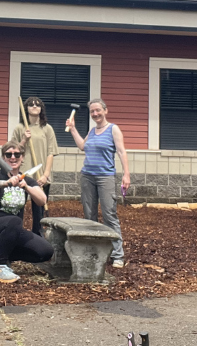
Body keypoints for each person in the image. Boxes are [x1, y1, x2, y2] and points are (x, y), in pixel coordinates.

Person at [0, 141, 53, 283]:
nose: (13, 157)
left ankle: (4, 256)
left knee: (45, 251)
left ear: (22, 158)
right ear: (3, 157)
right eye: (8, 154)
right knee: (15, 220)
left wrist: (26, 187)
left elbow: (42, 200)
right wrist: (7, 182)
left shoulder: (27, 180)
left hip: (12, 230)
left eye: (17, 154)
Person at [66, 98, 130, 268]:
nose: (95, 114)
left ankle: (117, 255)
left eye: (98, 110)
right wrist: (72, 129)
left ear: (105, 110)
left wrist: (126, 175)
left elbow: (122, 152)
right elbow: (82, 147)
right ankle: (93, 252)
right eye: (92, 111)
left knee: (109, 215)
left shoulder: (113, 129)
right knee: (90, 216)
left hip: (105, 177)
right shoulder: (92, 131)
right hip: (87, 176)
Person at [10, 96, 58, 236]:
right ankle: (16, 235)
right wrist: (24, 140)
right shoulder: (20, 128)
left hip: (41, 175)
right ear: (26, 109)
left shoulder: (47, 129)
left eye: (38, 104)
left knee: (39, 209)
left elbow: (51, 153)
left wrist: (45, 175)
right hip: (23, 174)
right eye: (31, 104)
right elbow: (13, 152)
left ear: (42, 108)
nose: (35, 106)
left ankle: (38, 236)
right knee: (19, 207)